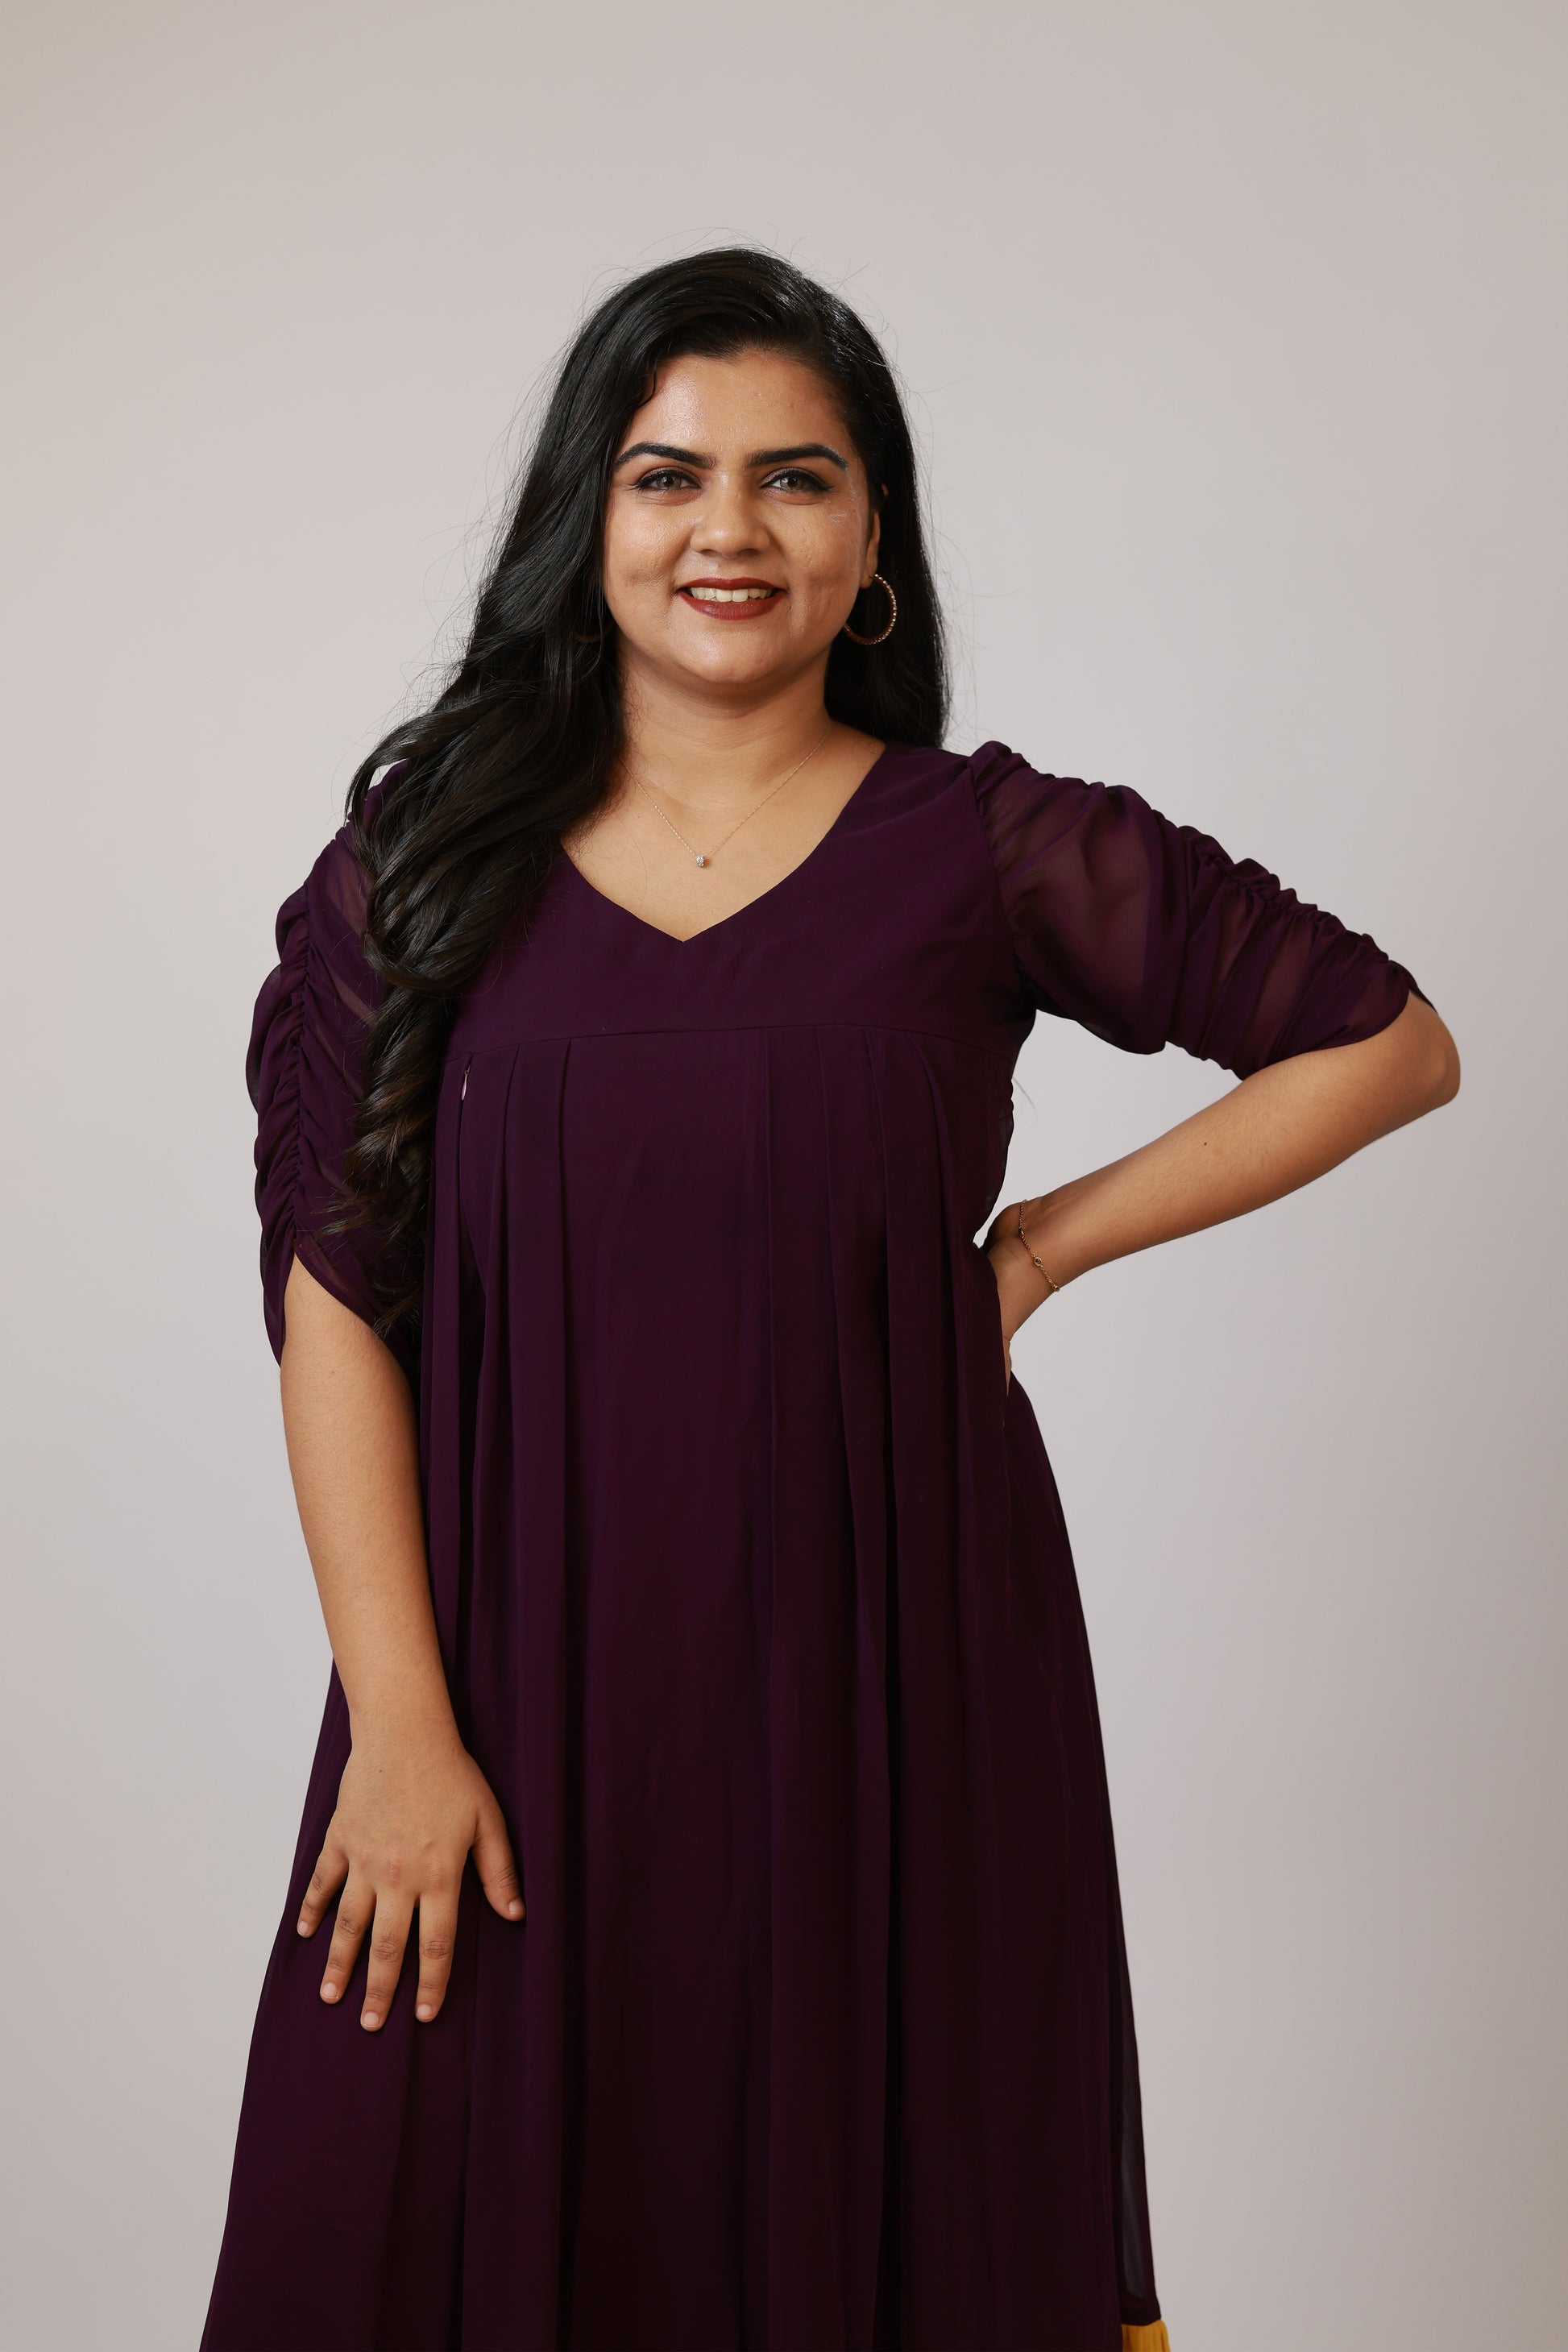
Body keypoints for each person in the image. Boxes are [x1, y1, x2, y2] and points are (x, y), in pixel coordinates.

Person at [201, 249, 1458, 2352]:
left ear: (872, 538)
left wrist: (1039, 1244)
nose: (731, 528)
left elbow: (1386, 1041)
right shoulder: (423, 865)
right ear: (585, 520)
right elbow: (336, 1295)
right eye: (667, 474)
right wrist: (401, 1725)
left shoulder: (980, 848)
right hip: (497, 1689)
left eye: (796, 477)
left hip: (893, 1687)